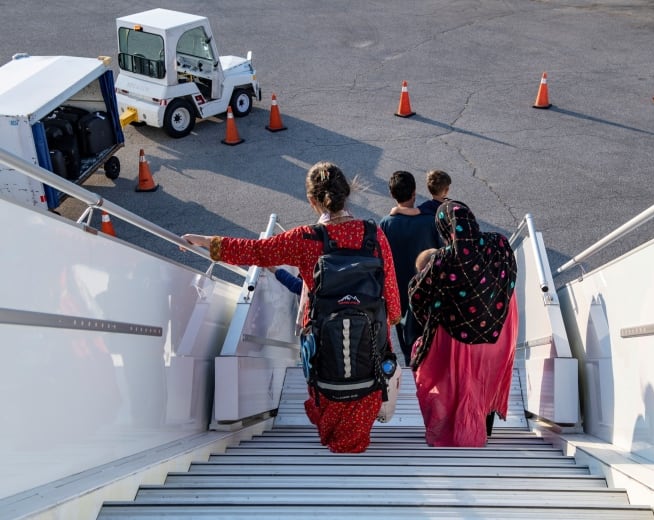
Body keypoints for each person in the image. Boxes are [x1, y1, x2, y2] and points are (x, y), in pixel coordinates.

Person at [183, 161, 402, 453]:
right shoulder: (375, 235)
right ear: (346, 193)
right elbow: (394, 304)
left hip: (325, 342)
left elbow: (256, 251)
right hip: (370, 344)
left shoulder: (304, 239)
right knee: (362, 397)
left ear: (312, 200)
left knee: (330, 390)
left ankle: (335, 450)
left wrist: (208, 242)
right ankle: (352, 456)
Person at [408, 200, 518, 447]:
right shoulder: (499, 243)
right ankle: (485, 430)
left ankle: (462, 433)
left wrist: (429, 320)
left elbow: (417, 293)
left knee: (460, 385)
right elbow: (511, 275)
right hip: (499, 331)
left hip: (460, 339)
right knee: (486, 380)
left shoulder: (445, 258)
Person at [379, 171, 441, 366]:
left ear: (392, 194)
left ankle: (412, 364)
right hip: (428, 289)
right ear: (414, 192)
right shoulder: (430, 222)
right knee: (431, 332)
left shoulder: (386, 224)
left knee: (407, 336)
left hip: (399, 292)